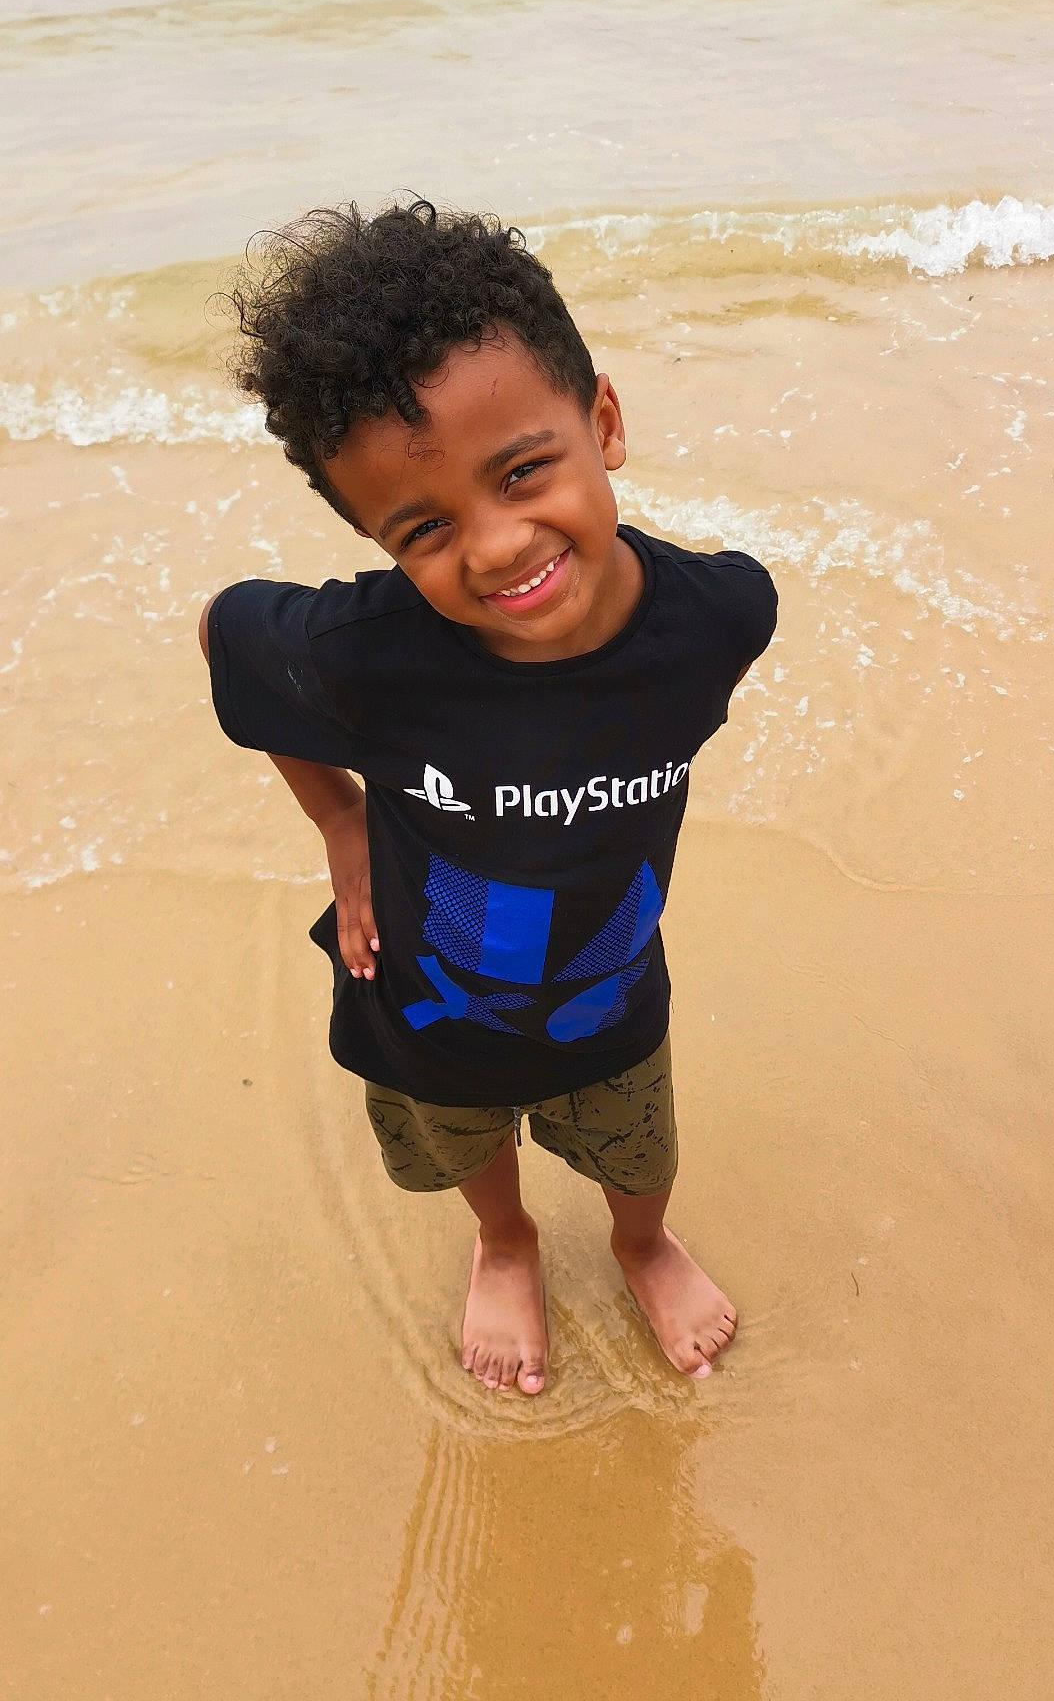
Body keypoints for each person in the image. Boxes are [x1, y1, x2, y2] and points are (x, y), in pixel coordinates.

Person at [198, 200, 776, 1398]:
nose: (500, 544)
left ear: (603, 421)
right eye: (426, 527)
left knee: (642, 1151)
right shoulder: (370, 652)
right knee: (465, 1140)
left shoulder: (717, 617)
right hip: (429, 998)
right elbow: (221, 631)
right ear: (375, 535)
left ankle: (641, 1244)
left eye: (523, 470)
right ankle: (503, 1242)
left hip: (611, 994)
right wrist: (339, 818)